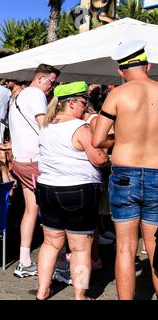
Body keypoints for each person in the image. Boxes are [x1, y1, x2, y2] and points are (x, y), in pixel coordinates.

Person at [92, 40, 158, 300]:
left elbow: (97, 141)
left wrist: (120, 139)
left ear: (120, 71)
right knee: (155, 249)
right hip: (157, 173)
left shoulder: (117, 94)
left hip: (124, 175)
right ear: (148, 65)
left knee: (125, 249)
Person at [35, 81, 109, 300]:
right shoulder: (80, 128)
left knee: (50, 243)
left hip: (47, 188)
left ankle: (42, 291)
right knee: (80, 249)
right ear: (71, 103)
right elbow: (98, 158)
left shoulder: (46, 127)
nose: (85, 107)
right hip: (78, 190)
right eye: (84, 103)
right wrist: (107, 156)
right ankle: (80, 296)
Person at [8, 63, 60, 278]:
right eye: (51, 81)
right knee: (53, 211)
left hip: (20, 160)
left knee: (31, 209)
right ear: (40, 78)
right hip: (35, 162)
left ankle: (24, 260)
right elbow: (44, 127)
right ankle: (58, 261)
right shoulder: (36, 94)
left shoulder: (17, 97)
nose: (52, 87)